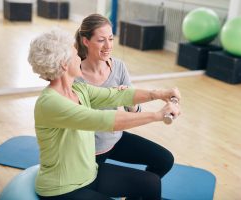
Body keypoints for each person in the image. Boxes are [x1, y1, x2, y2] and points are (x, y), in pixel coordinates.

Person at [28, 27, 181, 200]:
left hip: (90, 174)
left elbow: (119, 94)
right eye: (76, 54)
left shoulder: (78, 89)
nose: (80, 57)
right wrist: (158, 115)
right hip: (63, 188)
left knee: (151, 183)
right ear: (64, 63)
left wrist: (160, 94)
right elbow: (105, 120)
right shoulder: (51, 103)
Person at [74, 13, 175, 181]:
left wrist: (128, 98)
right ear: (86, 41)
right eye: (101, 40)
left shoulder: (118, 66)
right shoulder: (75, 76)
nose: (108, 46)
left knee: (165, 160)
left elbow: (133, 111)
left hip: (115, 139)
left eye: (111, 39)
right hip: (89, 149)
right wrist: (113, 96)